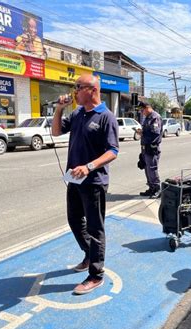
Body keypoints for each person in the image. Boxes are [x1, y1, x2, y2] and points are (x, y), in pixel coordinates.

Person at [52, 74, 119, 295]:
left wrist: (89, 166)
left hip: (94, 182)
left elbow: (113, 151)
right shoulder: (78, 113)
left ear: (91, 90)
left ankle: (96, 274)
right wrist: (59, 109)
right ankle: (89, 254)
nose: (74, 92)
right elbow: (56, 131)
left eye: (77, 87)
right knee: (73, 220)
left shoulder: (106, 117)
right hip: (75, 179)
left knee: (94, 228)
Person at [137, 101, 163, 198]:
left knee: (152, 169)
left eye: (142, 110)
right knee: (147, 169)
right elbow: (148, 131)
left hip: (152, 147)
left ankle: (157, 189)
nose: (141, 112)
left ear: (147, 107)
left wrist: (143, 134)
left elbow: (155, 134)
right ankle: (151, 188)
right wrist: (142, 132)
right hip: (145, 148)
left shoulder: (155, 117)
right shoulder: (148, 117)